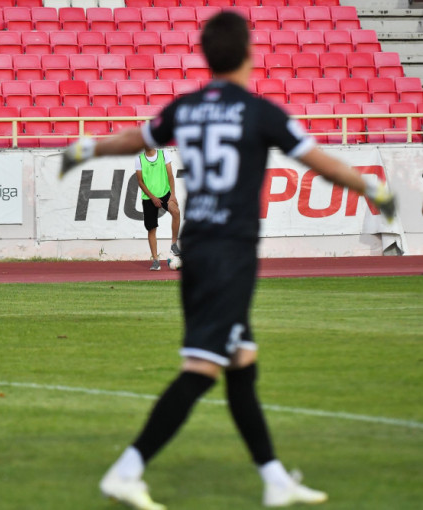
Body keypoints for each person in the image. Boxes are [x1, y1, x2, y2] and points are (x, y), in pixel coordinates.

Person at [60, 12, 396, 509]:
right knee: (202, 367)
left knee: (241, 363)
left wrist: (87, 148)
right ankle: (126, 471)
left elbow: (135, 140)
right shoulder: (259, 112)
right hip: (229, 251)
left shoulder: (187, 107)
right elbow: (318, 161)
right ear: (248, 53)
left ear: (207, 55)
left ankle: (274, 479)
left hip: (199, 245)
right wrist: (371, 186)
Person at [135, 148, 181, 270]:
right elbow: (140, 182)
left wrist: (173, 194)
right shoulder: (139, 159)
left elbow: (170, 176)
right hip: (149, 198)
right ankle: (156, 261)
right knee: (151, 229)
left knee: (176, 212)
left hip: (165, 193)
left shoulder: (163, 154)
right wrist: (153, 197)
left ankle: (174, 244)